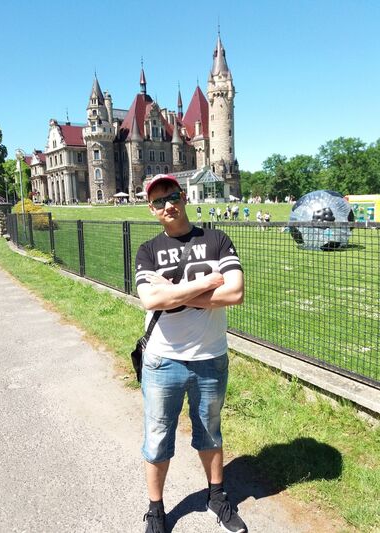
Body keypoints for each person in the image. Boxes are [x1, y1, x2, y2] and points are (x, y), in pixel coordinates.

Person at [135, 174, 247, 533]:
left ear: (183, 197)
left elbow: (235, 293)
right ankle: (156, 510)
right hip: (162, 360)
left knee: (210, 432)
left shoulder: (216, 240)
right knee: (157, 438)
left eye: (172, 196)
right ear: (151, 209)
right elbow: (151, 299)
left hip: (210, 357)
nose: (167, 205)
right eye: (158, 201)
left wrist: (174, 292)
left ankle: (216, 497)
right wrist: (205, 284)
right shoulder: (148, 250)